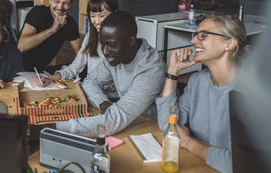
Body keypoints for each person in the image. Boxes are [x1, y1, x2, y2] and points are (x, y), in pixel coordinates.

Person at [156, 15, 247, 173]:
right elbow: (168, 125)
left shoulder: (251, 93)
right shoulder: (197, 81)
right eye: (195, 34)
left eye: (203, 35)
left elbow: (236, 164)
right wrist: (172, 73)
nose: (193, 41)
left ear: (230, 43)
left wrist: (187, 142)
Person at [55, 11, 166, 137]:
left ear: (131, 41)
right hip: (125, 124)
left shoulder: (151, 71)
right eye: (102, 44)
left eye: (112, 45)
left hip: (151, 130)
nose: (105, 51)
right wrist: (103, 103)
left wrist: (56, 126)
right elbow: (91, 80)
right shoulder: (117, 55)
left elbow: (114, 119)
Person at [41, 0, 119, 97]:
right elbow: (76, 66)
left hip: (112, 99)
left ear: (115, 14)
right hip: (92, 93)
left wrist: (88, 85)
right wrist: (50, 79)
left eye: (102, 15)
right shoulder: (90, 36)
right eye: (92, 16)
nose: (96, 21)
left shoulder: (121, 41)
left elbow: (117, 82)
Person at [17, 0, 81, 72]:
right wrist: (52, 29)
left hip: (39, 71)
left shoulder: (70, 23)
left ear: (70, 4)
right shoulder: (38, 12)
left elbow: (80, 52)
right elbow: (21, 46)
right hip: (18, 67)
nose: (60, 7)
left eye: (65, 3)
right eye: (57, 1)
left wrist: (76, 73)